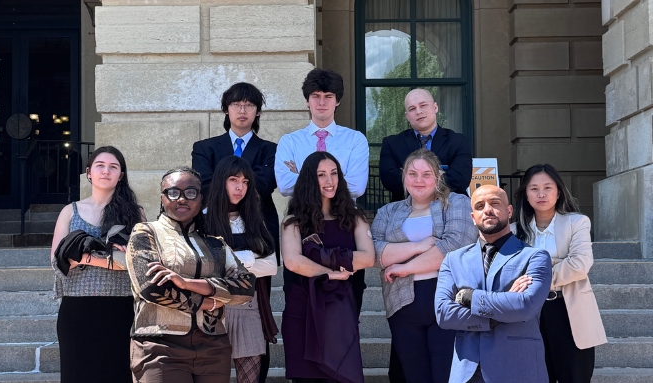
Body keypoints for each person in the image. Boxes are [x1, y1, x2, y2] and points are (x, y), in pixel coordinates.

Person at [125, 167, 256, 383]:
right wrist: (209, 303)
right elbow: (151, 287)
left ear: (201, 198)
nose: (182, 199)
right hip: (160, 346)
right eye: (173, 192)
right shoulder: (146, 233)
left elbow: (245, 287)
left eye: (191, 192)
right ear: (162, 198)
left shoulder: (216, 244)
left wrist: (189, 283)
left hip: (213, 347)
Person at [191, 83, 279, 381]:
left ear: (257, 112)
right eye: (236, 104)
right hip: (213, 231)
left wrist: (227, 175)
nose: (243, 110)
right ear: (226, 110)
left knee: (258, 314)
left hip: (258, 232)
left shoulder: (271, 150)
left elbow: (265, 186)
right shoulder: (205, 147)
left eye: (250, 105)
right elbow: (202, 185)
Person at [371, 149, 477, 383]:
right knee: (414, 376)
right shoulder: (388, 212)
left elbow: (455, 246)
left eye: (426, 174)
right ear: (404, 177)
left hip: (448, 303)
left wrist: (405, 267)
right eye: (413, 173)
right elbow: (374, 253)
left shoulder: (457, 203)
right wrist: (419, 246)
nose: (419, 180)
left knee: (447, 376)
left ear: (438, 177)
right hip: (402, 305)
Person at [435, 185, 552, 383]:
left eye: (495, 203)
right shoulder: (453, 260)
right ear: (473, 217)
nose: (487, 209)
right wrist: (501, 311)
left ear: (509, 211)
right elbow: (443, 314)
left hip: (518, 369)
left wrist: (469, 297)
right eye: (480, 206)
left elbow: (525, 306)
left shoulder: (535, 257)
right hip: (467, 372)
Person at [50, 146, 144, 383]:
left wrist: (84, 258)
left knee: (118, 374)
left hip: (121, 309)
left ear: (121, 175)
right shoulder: (70, 212)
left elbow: (138, 261)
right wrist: (110, 257)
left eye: (113, 167)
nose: (106, 171)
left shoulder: (135, 214)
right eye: (100, 166)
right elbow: (57, 260)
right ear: (89, 172)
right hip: (77, 309)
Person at [280, 151, 375, 383]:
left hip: (340, 312)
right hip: (302, 311)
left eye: (334, 174)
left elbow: (368, 258)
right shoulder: (293, 221)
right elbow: (293, 261)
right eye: (321, 175)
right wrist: (332, 272)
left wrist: (320, 258)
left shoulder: (355, 218)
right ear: (309, 180)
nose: (330, 181)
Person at [513, 164, 607, 383]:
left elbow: (580, 264)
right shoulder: (514, 231)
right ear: (526, 194)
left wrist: (536, 275)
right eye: (534, 188)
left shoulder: (577, 222)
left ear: (558, 191)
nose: (541, 193)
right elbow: (513, 271)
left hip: (569, 310)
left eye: (548, 187)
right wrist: (555, 263)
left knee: (574, 377)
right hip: (531, 313)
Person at [203, 156, 278, 383]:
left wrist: (229, 260)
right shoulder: (202, 219)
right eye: (234, 180)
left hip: (249, 307)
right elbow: (205, 268)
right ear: (220, 181)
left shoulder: (254, 220)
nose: (240, 187)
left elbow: (271, 266)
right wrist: (249, 257)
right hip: (212, 309)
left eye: (245, 182)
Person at [275, 68, 369, 199]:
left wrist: (301, 177)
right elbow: (285, 186)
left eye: (328, 96)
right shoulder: (289, 142)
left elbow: (357, 187)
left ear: (337, 101)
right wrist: (336, 181)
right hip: (301, 216)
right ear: (307, 100)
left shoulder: (355, 140)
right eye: (316, 96)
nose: (321, 103)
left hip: (343, 216)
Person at [379, 88, 472, 200]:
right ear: (407, 116)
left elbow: (460, 180)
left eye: (423, 105)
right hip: (406, 209)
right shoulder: (392, 144)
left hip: (450, 207)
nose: (418, 111)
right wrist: (439, 175)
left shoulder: (458, 141)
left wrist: (412, 178)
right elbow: (390, 181)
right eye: (412, 109)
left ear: (435, 107)